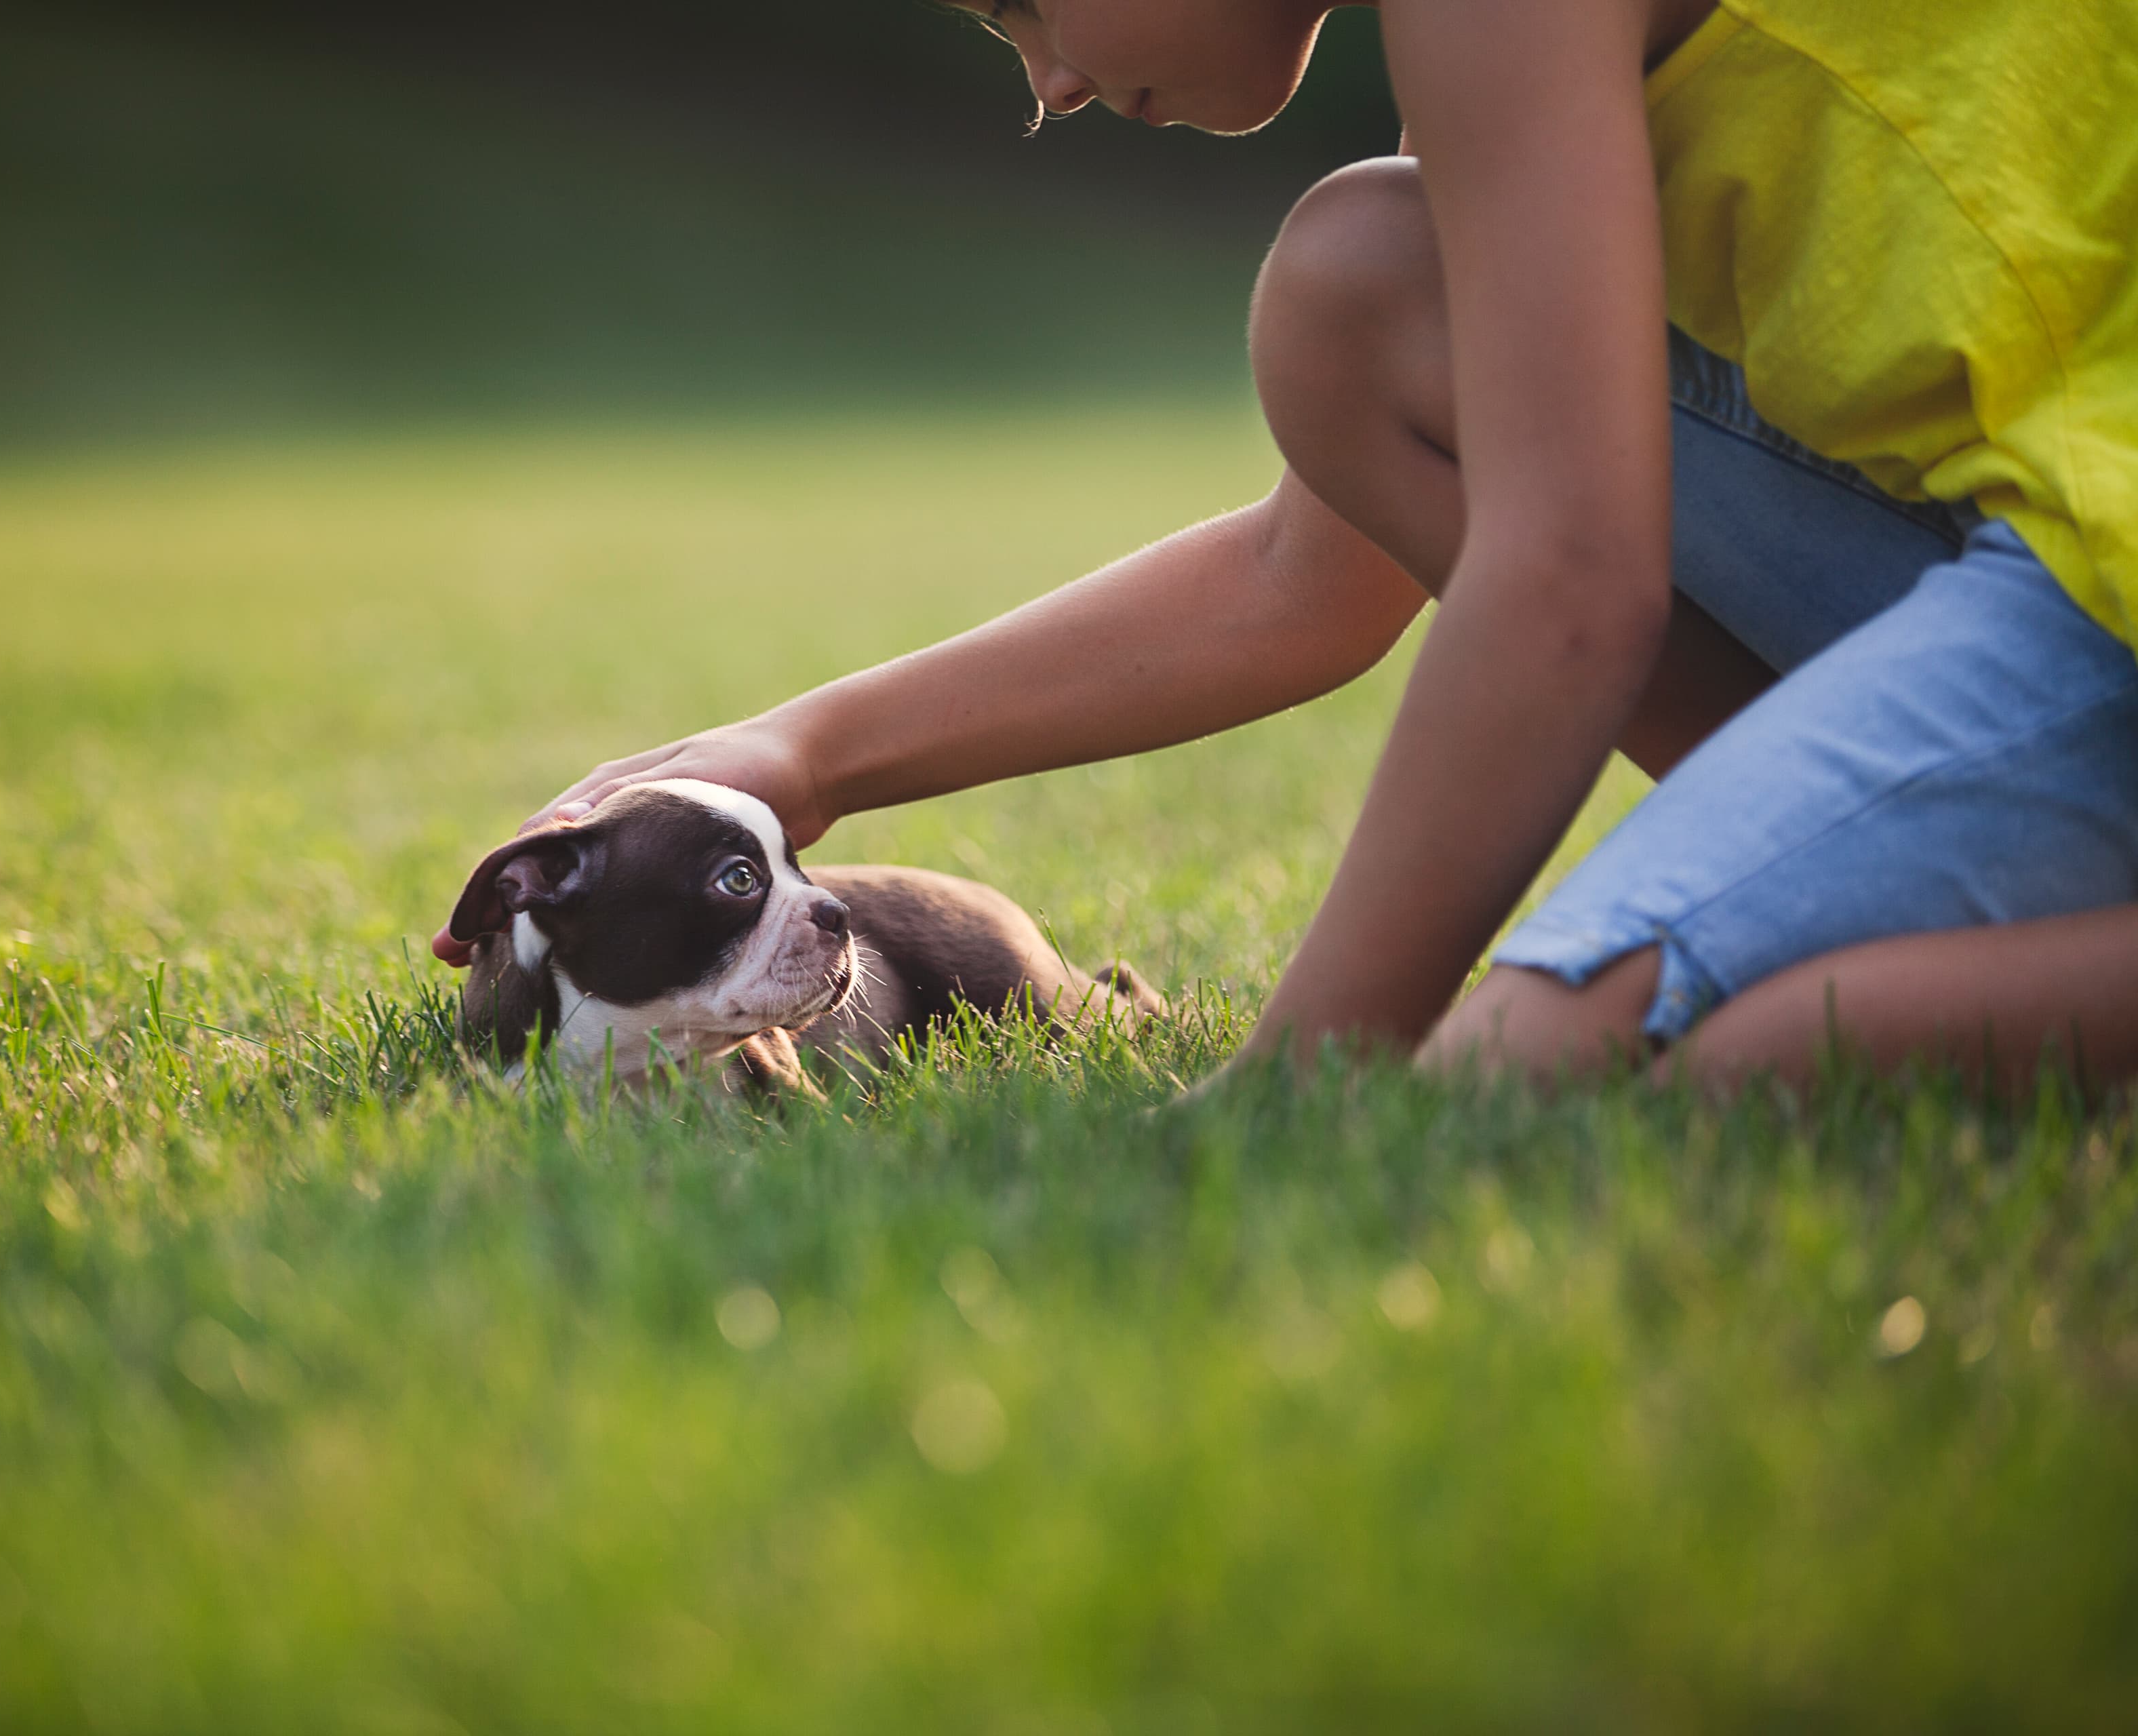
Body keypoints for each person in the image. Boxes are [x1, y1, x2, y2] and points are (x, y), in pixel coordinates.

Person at [436, 0, 2138, 1098]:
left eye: (1027, 1)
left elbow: (1569, 584)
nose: (1050, 79)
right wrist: (805, 748)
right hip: (2037, 527)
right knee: (1365, 296)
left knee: (1599, 1061)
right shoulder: (1468, 76)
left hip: (2100, 569)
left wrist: (1292, 1088)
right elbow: (1308, 576)